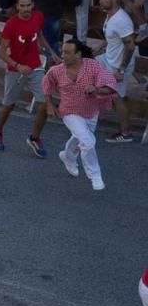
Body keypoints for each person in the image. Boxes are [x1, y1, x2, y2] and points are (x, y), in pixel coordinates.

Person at [43, 38, 117, 191]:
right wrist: (49, 105)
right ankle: (95, 176)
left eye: (67, 52)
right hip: (69, 112)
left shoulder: (93, 66)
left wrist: (96, 90)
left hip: (91, 113)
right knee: (88, 142)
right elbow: (46, 86)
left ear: (78, 55)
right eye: (63, 52)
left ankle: (67, 156)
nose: (63, 55)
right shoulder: (56, 71)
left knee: (79, 138)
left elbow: (110, 85)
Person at [0, 0, 59, 157]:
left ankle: (34, 138)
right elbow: (2, 53)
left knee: (44, 102)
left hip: (35, 68)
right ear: (17, 6)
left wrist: (51, 53)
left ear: (33, 5)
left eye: (28, 5)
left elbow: (40, 35)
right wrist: (18, 66)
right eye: (22, 6)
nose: (26, 9)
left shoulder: (38, 17)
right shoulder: (11, 24)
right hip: (16, 71)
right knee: (9, 105)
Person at [97, 0, 138, 143]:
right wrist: (99, 47)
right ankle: (81, 112)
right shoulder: (109, 15)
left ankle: (126, 133)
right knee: (84, 68)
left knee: (119, 97)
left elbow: (130, 46)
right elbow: (112, 37)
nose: (101, 0)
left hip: (119, 65)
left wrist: (121, 70)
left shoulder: (121, 20)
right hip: (108, 58)